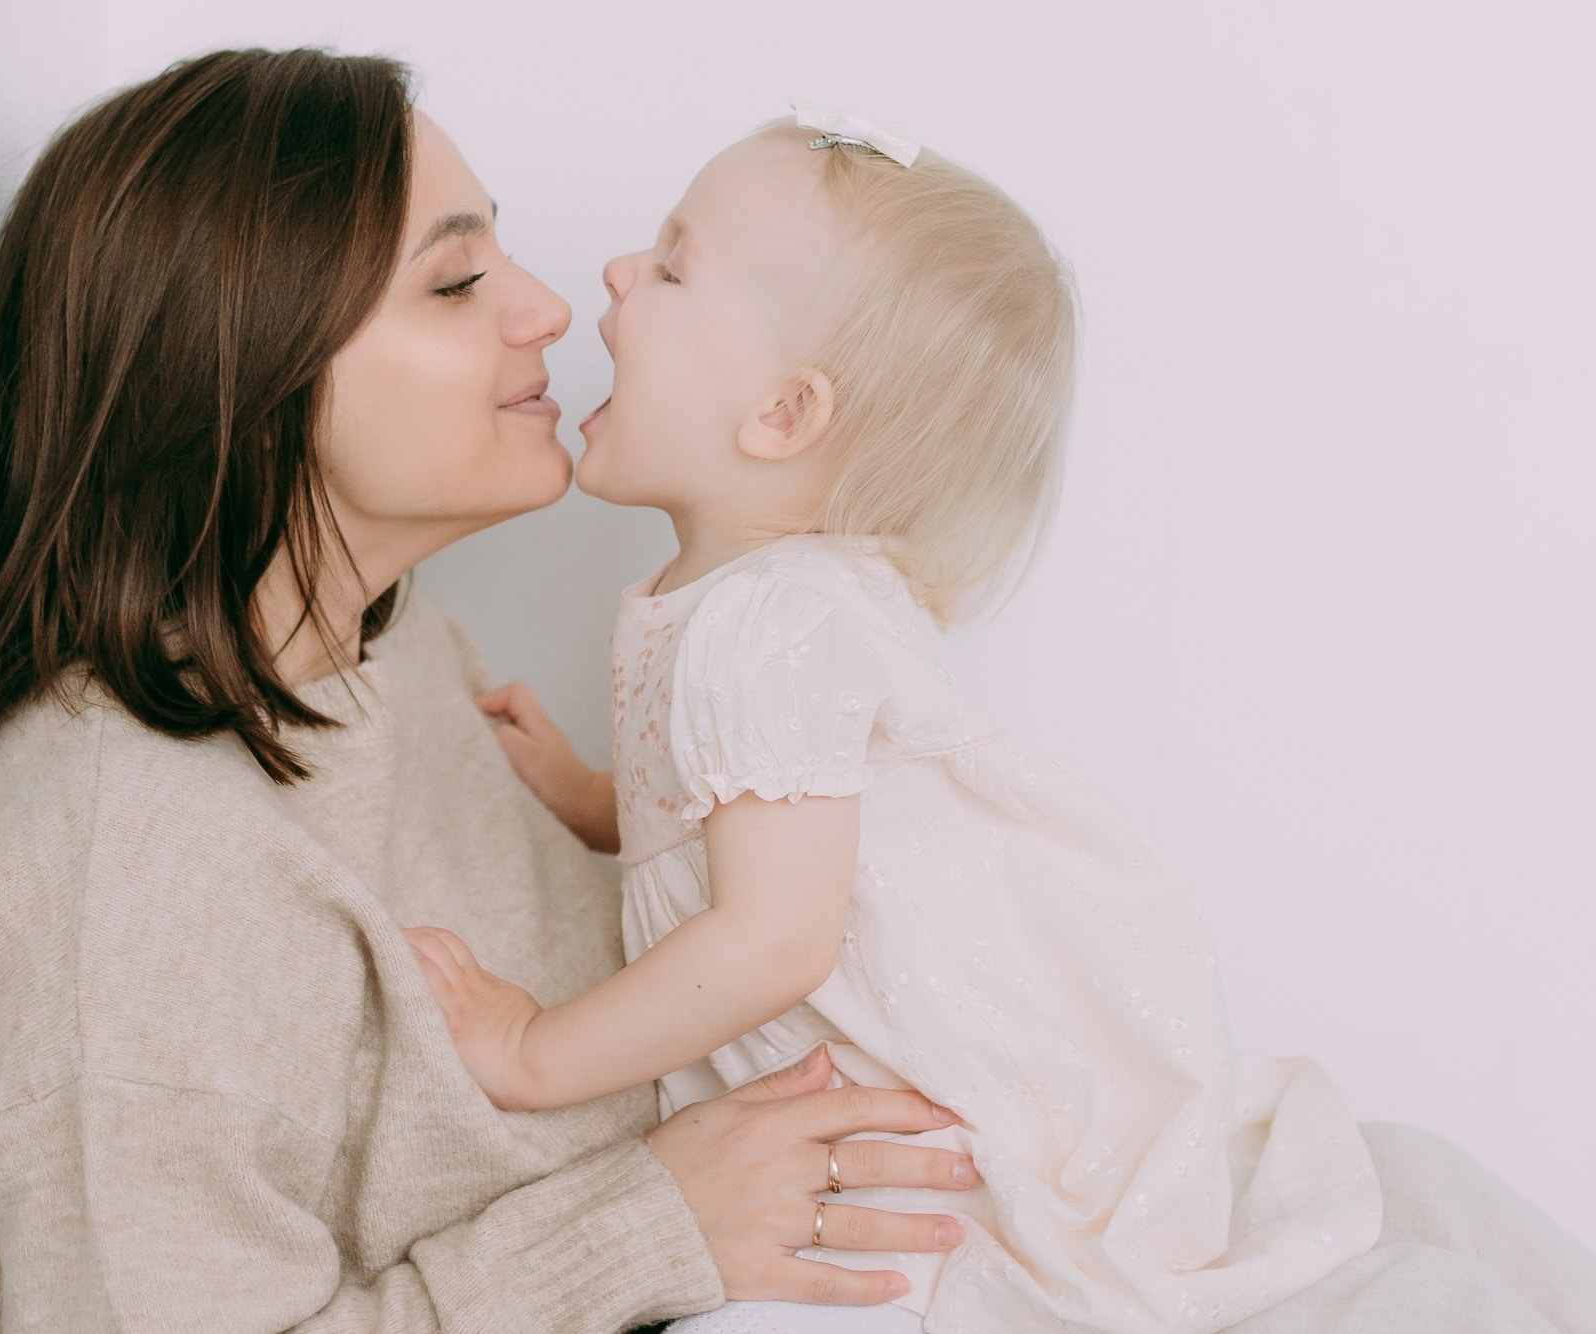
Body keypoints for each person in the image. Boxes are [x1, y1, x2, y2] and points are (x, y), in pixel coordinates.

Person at [402, 111, 1596, 1334]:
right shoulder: (745, 603)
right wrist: (593, 796)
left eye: (667, 265)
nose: (607, 275)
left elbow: (771, 938)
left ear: (781, 413)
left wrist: (532, 1049)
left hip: (919, 1082)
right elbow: (742, 816)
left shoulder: (764, 625)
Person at [0, 49, 986, 1334]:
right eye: (458, 281)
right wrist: (651, 1227)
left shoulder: (396, 648)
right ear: (253, 372)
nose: (546, 307)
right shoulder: (123, 882)